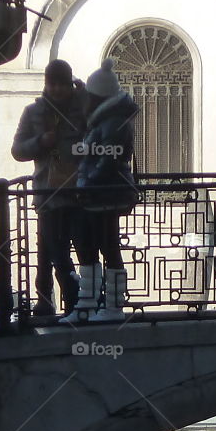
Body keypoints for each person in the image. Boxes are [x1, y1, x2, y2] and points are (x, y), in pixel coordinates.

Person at [11, 59, 86, 322]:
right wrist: (41, 141)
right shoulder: (33, 112)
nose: (56, 90)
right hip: (47, 192)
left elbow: (100, 128)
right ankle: (51, 303)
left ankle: (77, 304)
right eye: (52, 84)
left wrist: (83, 92)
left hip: (78, 194)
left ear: (69, 84)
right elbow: (17, 150)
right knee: (50, 250)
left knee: (82, 248)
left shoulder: (82, 109)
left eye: (62, 85)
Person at [69, 59, 141, 324]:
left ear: (98, 96)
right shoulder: (105, 120)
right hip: (98, 194)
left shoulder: (113, 123)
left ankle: (111, 306)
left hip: (105, 195)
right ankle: (89, 303)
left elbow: (107, 159)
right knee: (89, 245)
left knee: (108, 247)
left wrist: (86, 183)